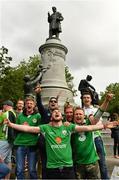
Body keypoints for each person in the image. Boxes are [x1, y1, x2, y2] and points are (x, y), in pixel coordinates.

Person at [4, 93, 117, 179]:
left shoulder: (68, 127)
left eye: (59, 112)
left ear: (61, 116)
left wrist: (104, 125)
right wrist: (11, 124)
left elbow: (88, 128)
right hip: (53, 168)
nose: (57, 112)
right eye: (54, 112)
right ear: (51, 117)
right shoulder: (46, 128)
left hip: (70, 166)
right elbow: (28, 128)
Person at [81, 91, 109, 179]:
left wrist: (90, 124)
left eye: (88, 97)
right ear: (82, 99)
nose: (86, 99)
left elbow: (99, 124)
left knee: (102, 163)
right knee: (87, 163)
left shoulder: (95, 110)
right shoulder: (80, 110)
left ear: (91, 99)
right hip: (84, 139)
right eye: (84, 97)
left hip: (96, 138)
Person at [34, 84, 59, 179]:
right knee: (44, 164)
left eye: (55, 101)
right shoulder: (45, 112)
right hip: (44, 143)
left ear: (57, 104)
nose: (53, 102)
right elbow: (39, 105)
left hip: (56, 143)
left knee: (54, 165)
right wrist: (38, 94)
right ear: (49, 104)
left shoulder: (60, 115)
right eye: (51, 101)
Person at [13, 97, 41, 179]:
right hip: (20, 144)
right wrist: (22, 127)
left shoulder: (38, 116)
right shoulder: (20, 116)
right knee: (19, 169)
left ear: (34, 105)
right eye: (27, 103)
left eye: (31, 104)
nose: (29, 105)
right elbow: (16, 129)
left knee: (32, 169)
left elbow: (40, 130)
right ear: (25, 105)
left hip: (32, 145)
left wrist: (29, 128)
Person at [0, 100, 16, 179]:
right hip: (10, 140)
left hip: (4, 139)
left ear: (6, 105)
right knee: (8, 160)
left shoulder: (4, 114)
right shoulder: (14, 113)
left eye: (3, 105)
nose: (3, 107)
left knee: (0, 158)